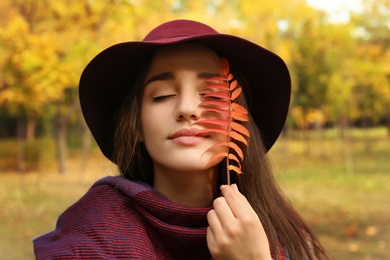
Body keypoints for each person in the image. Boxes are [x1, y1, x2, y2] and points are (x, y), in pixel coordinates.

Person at [33, 19, 328, 259]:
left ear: (238, 120)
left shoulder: (275, 232)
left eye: (211, 94)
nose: (187, 109)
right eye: (162, 95)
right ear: (135, 125)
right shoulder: (89, 238)